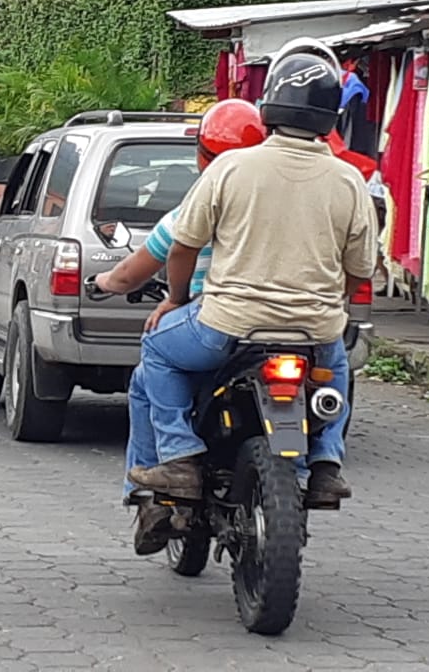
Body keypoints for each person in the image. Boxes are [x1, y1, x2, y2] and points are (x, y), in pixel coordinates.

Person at [126, 40, 377, 515]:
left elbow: (183, 246)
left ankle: (179, 457)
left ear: (271, 106)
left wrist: (174, 300)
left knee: (157, 350)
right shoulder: (349, 181)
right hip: (312, 332)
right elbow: (360, 269)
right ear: (331, 116)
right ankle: (325, 462)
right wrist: (327, 306)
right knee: (337, 363)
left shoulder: (230, 168)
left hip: (227, 327)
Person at [94, 101, 266, 550]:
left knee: (152, 356)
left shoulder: (196, 208)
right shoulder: (277, 211)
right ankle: (320, 462)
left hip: (218, 324)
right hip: (287, 328)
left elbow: (131, 274)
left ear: (202, 155)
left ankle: (163, 479)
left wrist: (107, 283)